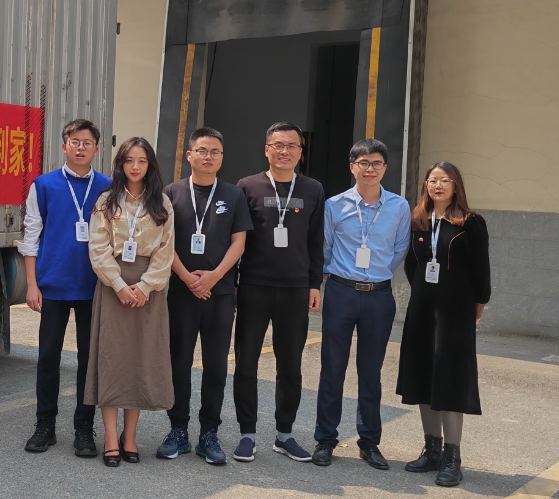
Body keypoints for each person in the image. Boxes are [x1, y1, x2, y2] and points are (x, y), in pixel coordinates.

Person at [313, 139, 411, 470]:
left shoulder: (399, 206)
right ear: (352, 166)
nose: (370, 169)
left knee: (371, 372)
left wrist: (375, 275)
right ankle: (326, 440)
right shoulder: (334, 205)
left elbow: (399, 250)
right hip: (340, 291)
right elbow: (326, 248)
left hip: (379, 296)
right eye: (364, 162)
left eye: (377, 163)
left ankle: (369, 442)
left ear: (385, 168)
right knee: (332, 368)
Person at [157, 127, 253, 464]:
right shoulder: (171, 193)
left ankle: (209, 432)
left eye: (215, 151)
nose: (208, 156)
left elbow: (239, 242)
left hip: (220, 292)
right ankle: (178, 430)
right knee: (179, 361)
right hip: (182, 293)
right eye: (202, 150)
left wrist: (213, 276)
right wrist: (187, 277)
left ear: (222, 158)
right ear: (190, 155)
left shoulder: (233, 194)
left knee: (215, 365)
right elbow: (163, 242)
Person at [232, 122, 325, 463]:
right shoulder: (247, 186)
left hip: (295, 289)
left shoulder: (313, 189)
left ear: (301, 152)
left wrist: (314, 283)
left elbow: (316, 240)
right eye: (278, 145)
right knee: (246, 363)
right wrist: (235, 283)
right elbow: (237, 238)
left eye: (292, 146)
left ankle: (284, 434)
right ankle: (247, 434)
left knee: (290, 366)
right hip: (254, 285)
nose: (285, 151)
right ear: (266, 149)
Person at [21, 119, 111, 457]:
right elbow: (31, 237)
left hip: (94, 287)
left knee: (89, 360)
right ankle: (45, 424)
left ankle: (84, 428)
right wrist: (32, 285)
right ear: (64, 146)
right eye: (75, 142)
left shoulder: (107, 187)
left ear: (96, 149)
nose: (80, 148)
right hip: (53, 286)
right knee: (48, 357)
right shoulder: (44, 185)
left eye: (87, 143)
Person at [396, 162, 490, 487]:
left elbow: (481, 273)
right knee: (423, 376)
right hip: (422, 310)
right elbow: (411, 266)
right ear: (425, 185)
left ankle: (452, 457)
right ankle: (432, 449)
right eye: (433, 180)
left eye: (445, 180)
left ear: (455, 185)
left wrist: (476, 310)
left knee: (451, 381)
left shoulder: (470, 222)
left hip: (456, 313)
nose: (438, 185)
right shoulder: (418, 220)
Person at [85, 137, 175, 467]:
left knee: (138, 360)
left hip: (149, 289)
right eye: (129, 160)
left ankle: (130, 436)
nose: (135, 166)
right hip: (113, 285)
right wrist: (120, 285)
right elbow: (98, 248)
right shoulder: (107, 200)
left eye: (142, 161)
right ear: (120, 164)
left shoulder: (162, 202)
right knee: (112, 361)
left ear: (150, 165)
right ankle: (110, 437)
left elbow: (166, 251)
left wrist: (145, 287)